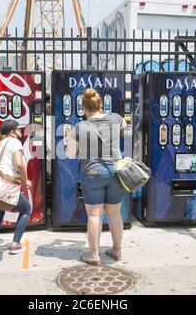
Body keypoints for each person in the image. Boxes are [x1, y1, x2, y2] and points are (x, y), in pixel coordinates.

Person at [65, 88, 128, 266]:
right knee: (115, 213)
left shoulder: (80, 127)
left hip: (92, 173)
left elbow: (70, 155)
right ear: (101, 104)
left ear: (84, 107)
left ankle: (94, 255)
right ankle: (117, 251)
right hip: (116, 171)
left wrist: (68, 141)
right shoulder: (115, 118)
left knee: (94, 214)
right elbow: (125, 125)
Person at [0, 119, 32, 254]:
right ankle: (15, 245)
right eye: (18, 129)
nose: (20, 131)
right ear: (12, 132)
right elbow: (19, 164)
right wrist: (26, 181)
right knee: (26, 209)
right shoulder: (14, 142)